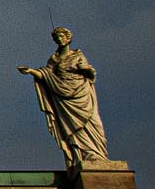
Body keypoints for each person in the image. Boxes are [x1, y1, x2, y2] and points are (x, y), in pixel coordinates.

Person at [19, 27, 108, 166]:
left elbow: (91, 75)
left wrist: (86, 69)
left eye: (61, 37)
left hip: (82, 94)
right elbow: (46, 75)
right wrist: (30, 71)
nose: (59, 39)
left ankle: (96, 154)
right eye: (56, 38)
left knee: (92, 123)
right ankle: (82, 155)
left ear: (68, 38)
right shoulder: (54, 59)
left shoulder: (78, 55)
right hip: (63, 98)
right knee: (71, 128)